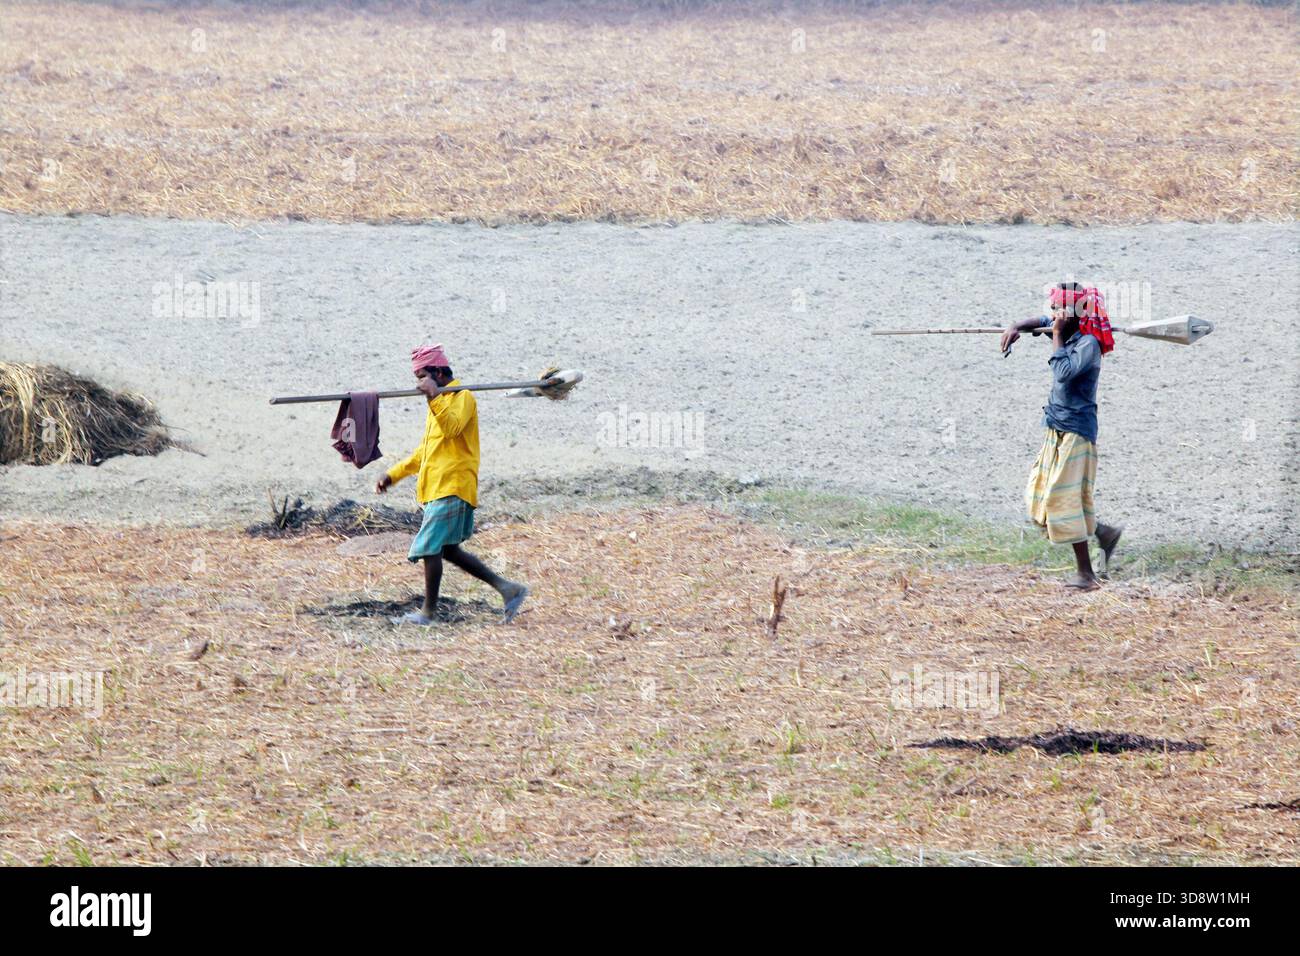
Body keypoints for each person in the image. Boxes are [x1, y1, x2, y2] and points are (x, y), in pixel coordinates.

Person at [377, 343, 528, 623]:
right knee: (447, 549)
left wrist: (434, 398)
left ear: (437, 372)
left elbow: (453, 428)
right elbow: (425, 452)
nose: (419, 383)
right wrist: (393, 475)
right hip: (437, 488)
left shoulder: (463, 398)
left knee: (429, 546)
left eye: (422, 376)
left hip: (453, 486)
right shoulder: (438, 404)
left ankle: (428, 614)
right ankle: (509, 589)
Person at [1001, 283, 1123, 590]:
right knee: (1041, 495)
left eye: (1058, 309)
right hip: (1055, 424)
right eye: (1053, 309)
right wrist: (1016, 327)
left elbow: (1063, 372)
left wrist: (1055, 334)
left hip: (1077, 430)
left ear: (1074, 314)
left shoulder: (1089, 344)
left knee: (1062, 499)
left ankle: (1086, 575)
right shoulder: (1066, 327)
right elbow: (1038, 322)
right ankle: (1103, 534)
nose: (1053, 314)